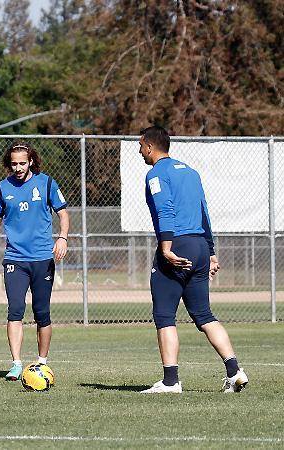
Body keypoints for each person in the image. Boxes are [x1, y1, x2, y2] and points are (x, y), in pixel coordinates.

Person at [138, 125, 248, 393]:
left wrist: (166, 249)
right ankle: (235, 371)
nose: (140, 151)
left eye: (140, 146)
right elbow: (203, 211)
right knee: (204, 314)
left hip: (177, 245)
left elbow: (165, 210)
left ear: (150, 146)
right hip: (199, 245)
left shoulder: (156, 174)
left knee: (164, 315)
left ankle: (170, 381)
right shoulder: (191, 172)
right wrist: (210, 252)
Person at [0, 142, 69, 381]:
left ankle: (42, 363)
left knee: (42, 313)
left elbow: (63, 213)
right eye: (14, 163)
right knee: (15, 310)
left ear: (31, 162)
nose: (18, 168)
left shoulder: (46, 183)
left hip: (42, 258)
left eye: (22, 163)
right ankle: (16, 364)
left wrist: (62, 237)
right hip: (15, 259)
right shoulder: (2, 187)